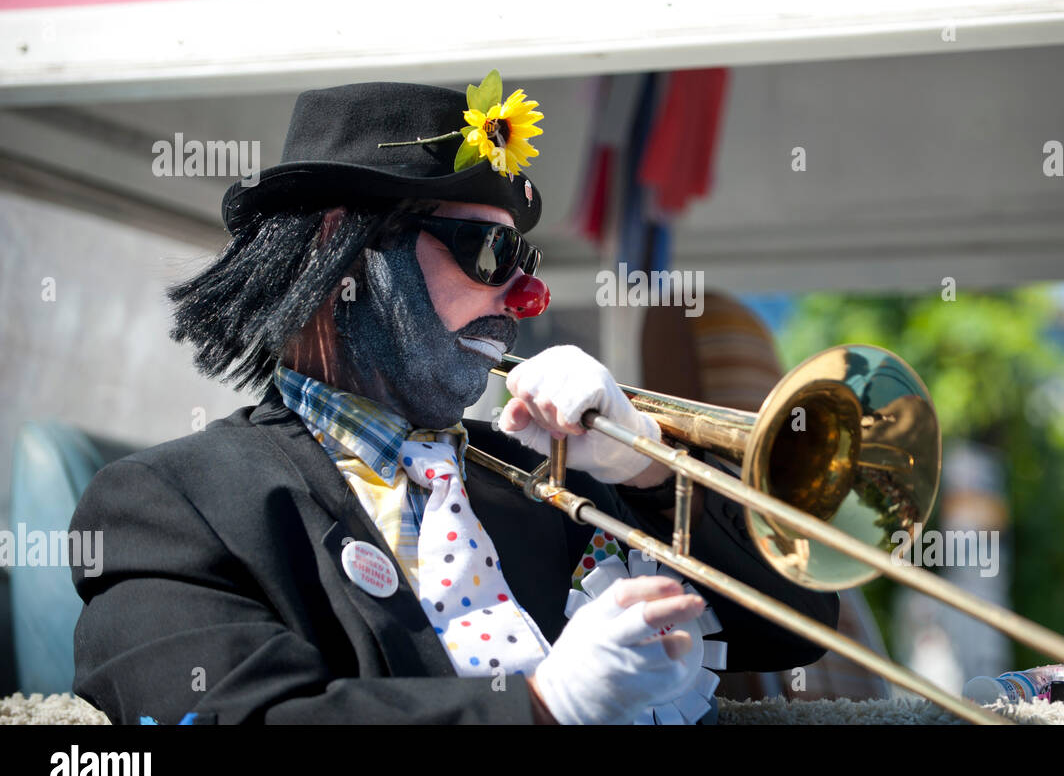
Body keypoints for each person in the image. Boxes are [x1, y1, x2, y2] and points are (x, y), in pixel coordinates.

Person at [69, 76, 838, 724]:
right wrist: (541, 705)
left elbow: (797, 625)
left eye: (524, 259)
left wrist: (649, 469)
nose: (524, 297)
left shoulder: (547, 476)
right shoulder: (165, 506)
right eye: (488, 253)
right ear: (343, 252)